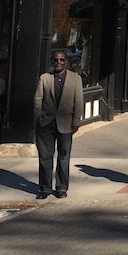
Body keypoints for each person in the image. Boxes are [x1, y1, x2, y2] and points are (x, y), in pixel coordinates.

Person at [33, 49, 84, 199]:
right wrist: (38, 119)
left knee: (63, 157)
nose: (58, 62)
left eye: (61, 60)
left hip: (66, 124)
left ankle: (61, 188)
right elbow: (37, 99)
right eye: (56, 60)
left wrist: (76, 123)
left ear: (66, 62)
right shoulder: (45, 78)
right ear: (52, 62)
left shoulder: (76, 79)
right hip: (46, 123)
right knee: (45, 157)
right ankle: (45, 188)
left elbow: (79, 102)